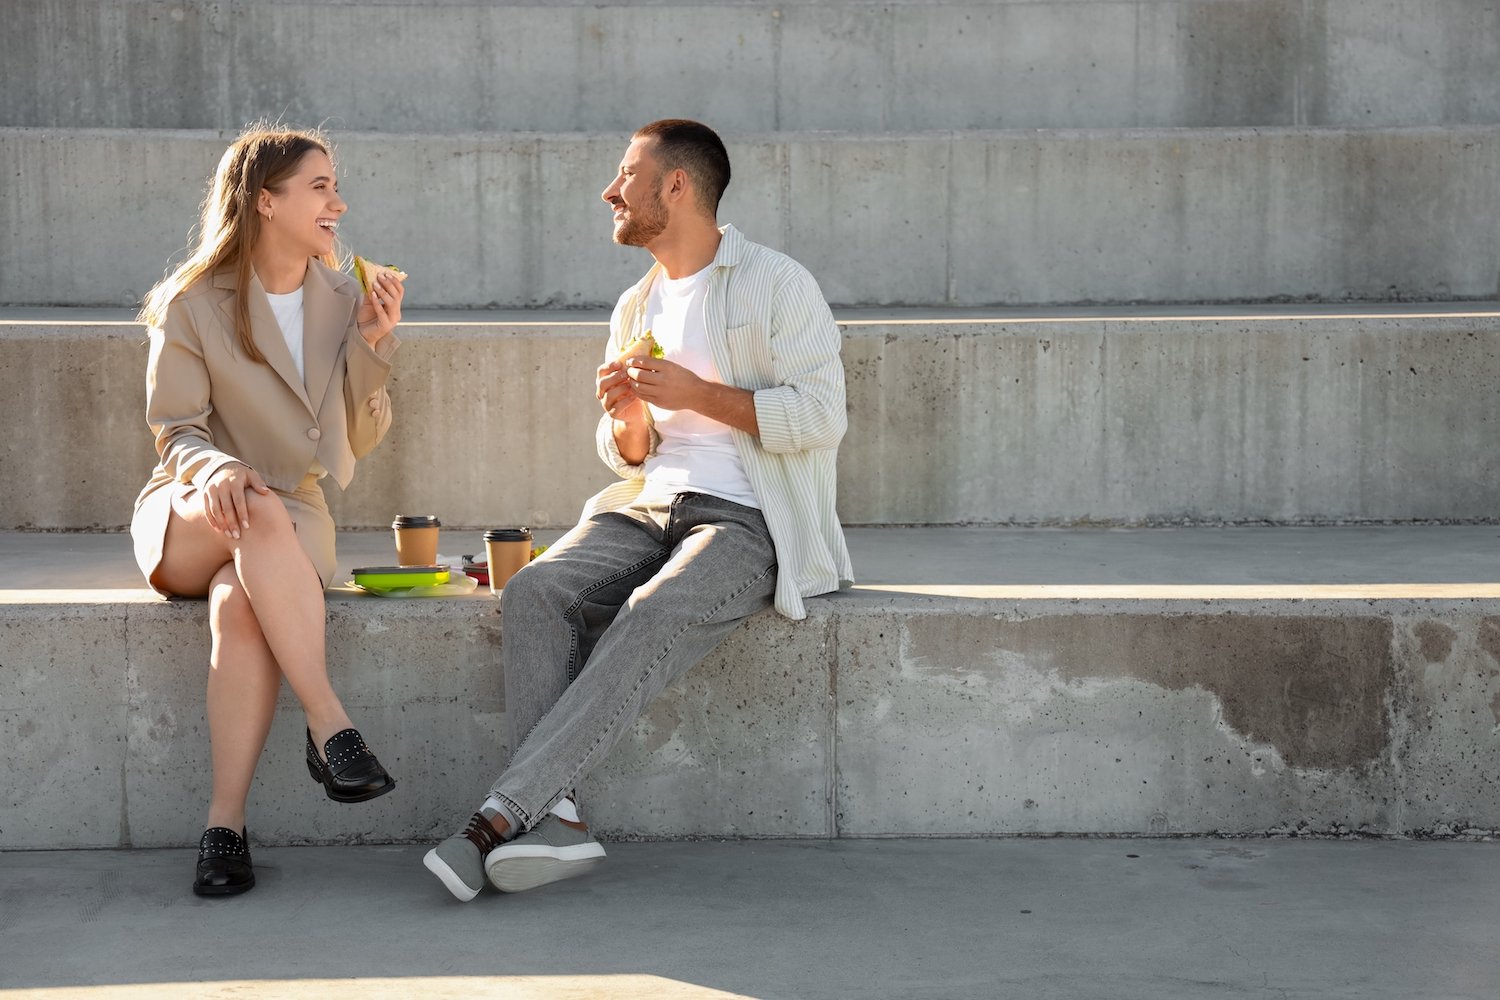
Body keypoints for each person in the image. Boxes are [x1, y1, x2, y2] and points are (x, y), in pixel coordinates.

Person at [425, 119, 853, 901]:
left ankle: (497, 817)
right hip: (648, 505)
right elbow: (630, 449)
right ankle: (558, 820)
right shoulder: (637, 302)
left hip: (746, 518)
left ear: (677, 186)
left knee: (652, 611)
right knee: (535, 591)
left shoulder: (777, 283)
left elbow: (824, 417)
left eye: (627, 174)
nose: (610, 190)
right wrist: (628, 424)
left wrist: (701, 396)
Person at [132, 125, 405, 897]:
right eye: (320, 187)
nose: (338, 203)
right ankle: (330, 724)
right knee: (250, 506)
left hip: (295, 511)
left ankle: (225, 829)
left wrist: (376, 347)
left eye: (335, 186)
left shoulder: (345, 295)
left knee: (239, 608)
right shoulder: (194, 301)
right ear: (265, 199)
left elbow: (355, 440)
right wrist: (216, 466)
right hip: (193, 504)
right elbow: (175, 429)